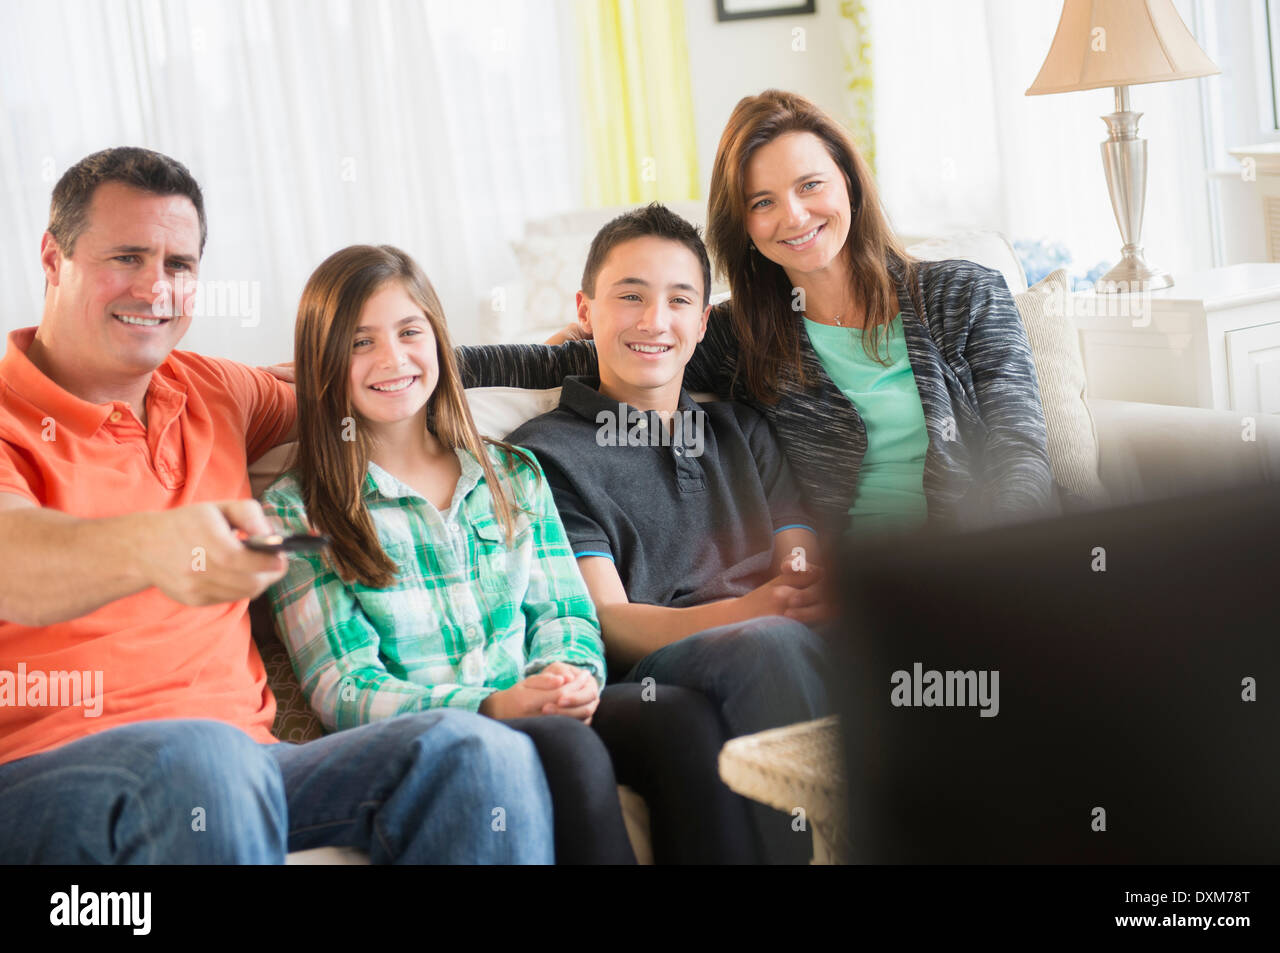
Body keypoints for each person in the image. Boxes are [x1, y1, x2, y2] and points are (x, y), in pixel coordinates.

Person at [0, 147, 553, 864]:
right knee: (202, 761)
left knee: (476, 751)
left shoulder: (213, 391)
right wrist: (153, 547)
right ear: (53, 257)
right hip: (47, 781)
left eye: (179, 265)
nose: (155, 287)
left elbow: (358, 375)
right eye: (127, 257)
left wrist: (568, 356)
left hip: (248, 767)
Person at [262, 244, 760, 864]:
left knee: (680, 721)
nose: (392, 359)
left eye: (409, 332)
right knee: (565, 746)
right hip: (442, 726)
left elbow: (568, 615)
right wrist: (494, 704)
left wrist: (566, 678)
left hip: (540, 698)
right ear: (324, 362)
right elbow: (343, 685)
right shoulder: (299, 510)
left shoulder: (509, 472)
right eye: (360, 343)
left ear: (439, 343)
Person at [456, 89, 1058, 540]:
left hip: (980, 564)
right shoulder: (738, 334)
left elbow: (1020, 455)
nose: (793, 217)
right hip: (850, 596)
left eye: (810, 186)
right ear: (742, 226)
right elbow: (582, 359)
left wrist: (995, 573)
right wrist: (410, 358)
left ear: (848, 182)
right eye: (763, 202)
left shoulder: (964, 294)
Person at [505, 204, 829, 864]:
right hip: (656, 671)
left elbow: (796, 544)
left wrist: (798, 585)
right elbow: (611, 617)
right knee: (765, 643)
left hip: (776, 640)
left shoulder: (741, 429)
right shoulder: (546, 454)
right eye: (631, 296)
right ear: (586, 308)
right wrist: (752, 610)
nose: (655, 321)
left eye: (679, 300)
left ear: (703, 322)